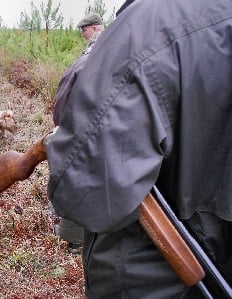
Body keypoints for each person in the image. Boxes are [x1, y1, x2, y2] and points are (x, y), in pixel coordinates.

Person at [45, 0, 232, 297]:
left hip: (148, 277)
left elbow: (85, 191)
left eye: (85, 29)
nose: (83, 33)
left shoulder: (144, 25)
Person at [52, 12, 104, 254]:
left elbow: (69, 91)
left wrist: (63, 127)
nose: (82, 34)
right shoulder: (116, 46)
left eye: (84, 29)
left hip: (82, 127)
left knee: (76, 178)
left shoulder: (94, 52)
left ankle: (74, 241)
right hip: (102, 129)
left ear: (94, 29)